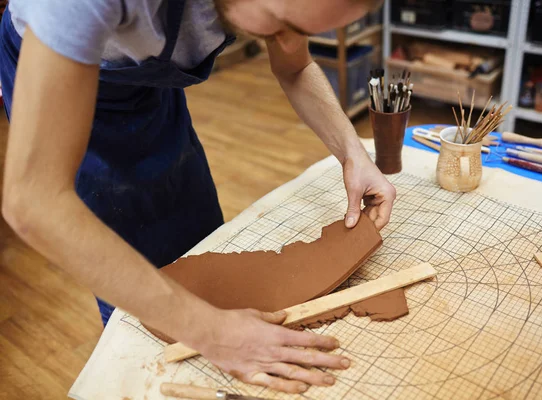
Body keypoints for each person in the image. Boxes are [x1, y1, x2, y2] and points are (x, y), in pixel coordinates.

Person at [0, 0, 395, 394]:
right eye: (279, 25)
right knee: (132, 291)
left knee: (202, 257)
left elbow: (294, 66)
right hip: (63, 83)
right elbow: (35, 202)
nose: (288, 41)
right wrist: (211, 332)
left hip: (142, 85)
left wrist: (352, 153)